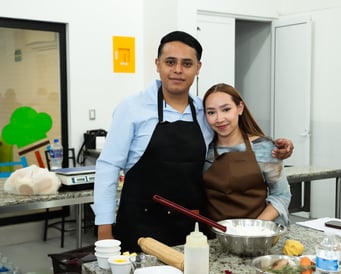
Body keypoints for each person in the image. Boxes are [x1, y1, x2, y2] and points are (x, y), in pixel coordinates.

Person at [93, 31, 294, 252]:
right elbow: (108, 166)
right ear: (157, 64)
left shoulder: (203, 111)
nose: (178, 70)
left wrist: (273, 149)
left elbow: (230, 146)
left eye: (186, 63)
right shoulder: (132, 108)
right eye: (170, 62)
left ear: (198, 68)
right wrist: (104, 227)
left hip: (191, 229)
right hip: (140, 225)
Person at [202, 83, 291, 225]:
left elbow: (281, 195)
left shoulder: (264, 147)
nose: (219, 119)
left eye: (226, 109)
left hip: (257, 233)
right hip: (215, 235)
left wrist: (254, 227)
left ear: (240, 108)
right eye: (211, 112)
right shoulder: (204, 150)